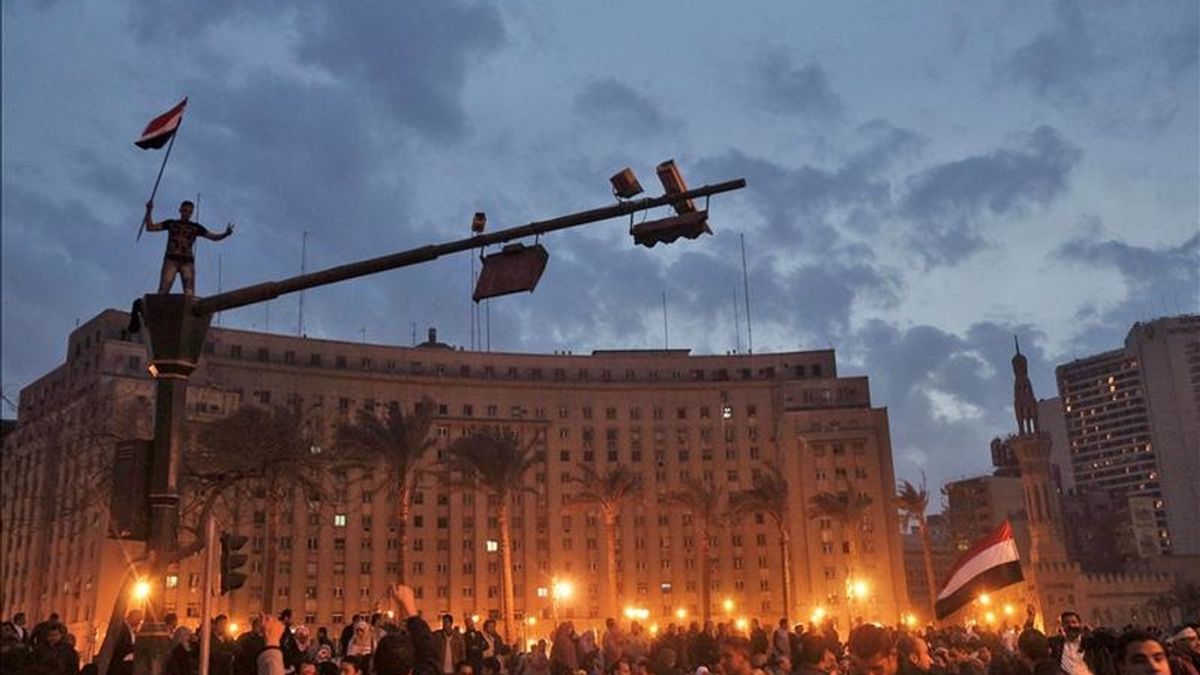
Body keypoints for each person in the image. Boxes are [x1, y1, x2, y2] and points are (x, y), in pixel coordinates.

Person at [143, 199, 234, 295]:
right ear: (180, 210)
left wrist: (225, 234)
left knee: (189, 292)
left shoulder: (196, 227)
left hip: (187, 261)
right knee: (163, 290)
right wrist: (149, 211)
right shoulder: (171, 223)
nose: (187, 213)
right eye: (185, 210)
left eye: (189, 211)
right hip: (171, 259)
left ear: (192, 213)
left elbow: (214, 237)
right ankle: (158, 308)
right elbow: (150, 227)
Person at [109, 609, 144, 675]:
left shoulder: (130, 630)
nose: (139, 622)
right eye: (138, 620)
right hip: (120, 664)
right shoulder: (122, 629)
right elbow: (120, 646)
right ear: (133, 617)